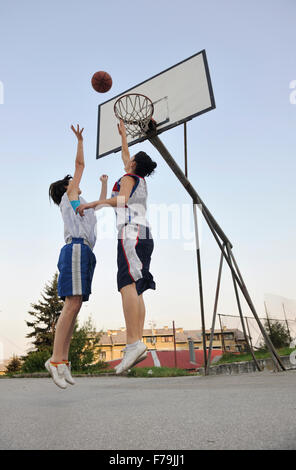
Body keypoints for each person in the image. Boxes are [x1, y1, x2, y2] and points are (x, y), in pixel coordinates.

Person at [77, 119, 157, 374]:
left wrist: (91, 205)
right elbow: (125, 155)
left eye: (131, 158)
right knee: (137, 287)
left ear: (134, 165)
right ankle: (136, 341)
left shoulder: (128, 177)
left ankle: (133, 342)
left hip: (131, 234)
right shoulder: (138, 178)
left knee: (126, 285)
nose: (127, 158)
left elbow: (121, 201)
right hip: (143, 235)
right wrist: (123, 135)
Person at [47, 124, 108, 388]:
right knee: (71, 304)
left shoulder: (83, 206)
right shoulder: (68, 197)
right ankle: (55, 360)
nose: (76, 181)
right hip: (74, 249)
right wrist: (81, 141)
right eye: (72, 180)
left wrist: (104, 185)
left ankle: (64, 361)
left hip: (86, 253)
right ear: (67, 187)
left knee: (76, 307)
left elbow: (103, 204)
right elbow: (80, 165)